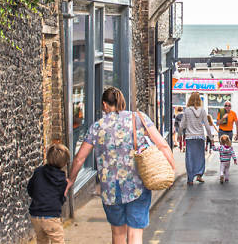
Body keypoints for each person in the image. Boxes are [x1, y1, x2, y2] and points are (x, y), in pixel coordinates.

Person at [67, 87, 173, 244]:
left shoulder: (97, 127)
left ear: (104, 105)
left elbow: (79, 159)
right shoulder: (138, 118)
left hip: (110, 189)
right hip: (137, 185)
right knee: (135, 233)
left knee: (117, 234)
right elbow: (163, 146)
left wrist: (70, 180)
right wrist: (171, 169)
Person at [27, 143, 70, 244]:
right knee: (58, 241)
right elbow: (61, 198)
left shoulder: (38, 172)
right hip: (51, 216)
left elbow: (30, 189)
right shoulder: (62, 180)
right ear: (64, 163)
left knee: (41, 240)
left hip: (35, 215)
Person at [179, 92, 212, 185]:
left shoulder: (187, 111)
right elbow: (207, 125)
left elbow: (182, 125)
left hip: (190, 137)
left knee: (190, 158)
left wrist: (179, 135)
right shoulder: (202, 111)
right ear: (199, 100)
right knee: (200, 157)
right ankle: (199, 175)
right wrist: (211, 137)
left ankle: (190, 178)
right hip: (200, 137)